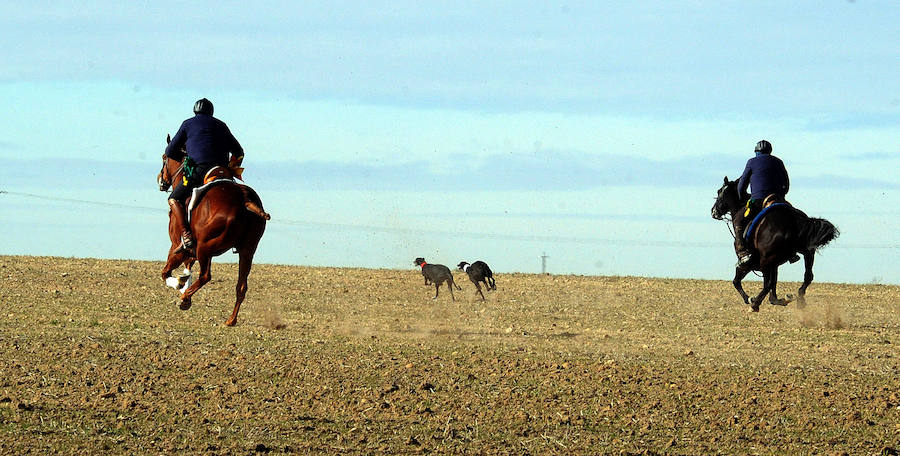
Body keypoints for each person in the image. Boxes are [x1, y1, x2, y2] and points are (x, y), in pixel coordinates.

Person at [165, 98, 244, 251]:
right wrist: (232, 167)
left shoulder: (187, 124)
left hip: (199, 170)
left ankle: (186, 234)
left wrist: (186, 154)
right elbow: (239, 151)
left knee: (174, 198)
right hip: (222, 172)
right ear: (211, 112)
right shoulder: (221, 125)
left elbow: (169, 151)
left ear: (195, 111)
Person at [732, 139, 790, 266]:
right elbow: (786, 183)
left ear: (756, 152)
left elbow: (741, 185)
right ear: (770, 151)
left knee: (738, 220)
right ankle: (792, 250)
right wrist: (781, 196)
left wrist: (743, 197)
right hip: (778, 199)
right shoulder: (779, 162)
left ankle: (743, 252)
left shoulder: (751, 162)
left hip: (758, 200)